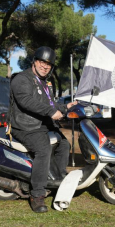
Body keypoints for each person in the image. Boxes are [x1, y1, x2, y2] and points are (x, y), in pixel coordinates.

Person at [9, 46, 77, 213]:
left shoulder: (46, 82)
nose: (45, 66)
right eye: (42, 62)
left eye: (48, 64)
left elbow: (49, 104)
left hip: (42, 124)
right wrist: (50, 111)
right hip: (25, 125)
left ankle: (58, 179)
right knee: (43, 149)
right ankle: (37, 194)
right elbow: (26, 101)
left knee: (63, 145)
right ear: (34, 61)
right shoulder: (21, 79)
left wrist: (65, 106)